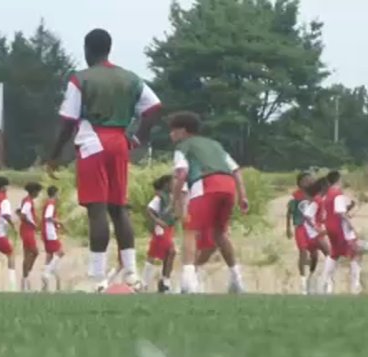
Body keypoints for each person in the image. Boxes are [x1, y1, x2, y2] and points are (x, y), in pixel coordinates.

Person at [47, 28, 163, 292]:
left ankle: (97, 277)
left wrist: (54, 155)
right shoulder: (130, 77)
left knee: (96, 209)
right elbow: (154, 107)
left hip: (92, 141)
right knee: (118, 207)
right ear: (109, 49)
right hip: (120, 142)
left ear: (88, 49)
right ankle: (131, 274)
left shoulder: (81, 79)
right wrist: (139, 138)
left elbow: (68, 121)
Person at [167, 112, 249, 294]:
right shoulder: (215, 145)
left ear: (182, 131)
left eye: (172, 131)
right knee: (220, 233)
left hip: (205, 184)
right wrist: (243, 196)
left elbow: (181, 174)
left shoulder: (183, 146)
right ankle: (237, 280)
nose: (170, 135)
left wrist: (174, 201)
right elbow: (236, 170)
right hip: (228, 186)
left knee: (190, 230)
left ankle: (189, 282)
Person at [321, 170, 364, 294]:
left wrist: (349, 207)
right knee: (355, 252)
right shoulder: (337, 194)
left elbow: (332, 210)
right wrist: (351, 226)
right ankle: (355, 285)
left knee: (334, 253)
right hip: (341, 228)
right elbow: (340, 212)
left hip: (330, 227)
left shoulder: (327, 195)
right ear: (338, 180)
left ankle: (325, 281)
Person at [285, 171, 324, 294]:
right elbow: (289, 213)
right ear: (299, 183)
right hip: (300, 226)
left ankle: (311, 277)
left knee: (315, 254)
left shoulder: (316, 195)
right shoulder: (296, 197)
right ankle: (302, 281)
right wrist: (288, 228)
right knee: (302, 251)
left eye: (310, 180)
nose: (308, 182)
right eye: (306, 180)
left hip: (313, 228)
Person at [143, 175, 177, 293]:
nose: (174, 185)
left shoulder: (171, 197)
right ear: (166, 184)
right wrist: (157, 221)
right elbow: (149, 209)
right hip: (161, 229)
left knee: (163, 254)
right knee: (168, 252)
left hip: (169, 229)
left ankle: (161, 282)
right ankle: (154, 282)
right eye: (172, 183)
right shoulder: (160, 197)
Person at [18, 183, 43, 291]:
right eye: (38, 191)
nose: (38, 194)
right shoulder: (28, 201)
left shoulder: (26, 200)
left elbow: (19, 211)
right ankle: (26, 273)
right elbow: (23, 214)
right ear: (34, 191)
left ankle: (25, 277)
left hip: (26, 229)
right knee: (34, 252)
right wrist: (33, 223)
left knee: (27, 253)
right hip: (27, 229)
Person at [40, 186, 65, 291]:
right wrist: (59, 222)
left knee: (49, 255)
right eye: (58, 193)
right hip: (50, 232)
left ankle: (46, 284)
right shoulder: (51, 203)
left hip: (46, 231)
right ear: (55, 193)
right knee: (60, 252)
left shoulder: (48, 203)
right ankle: (47, 273)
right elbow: (48, 217)